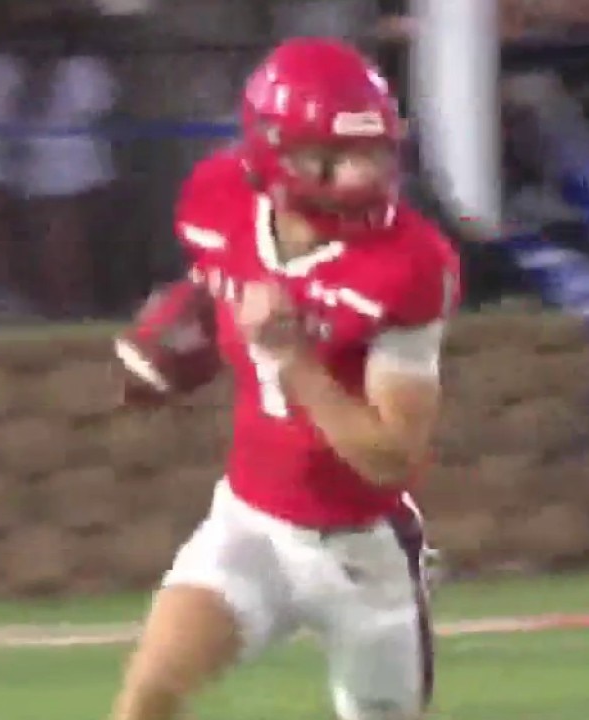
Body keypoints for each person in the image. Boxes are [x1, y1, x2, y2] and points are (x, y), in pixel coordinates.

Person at [110, 38, 460, 720]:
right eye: (333, 157)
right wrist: (174, 340)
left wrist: (293, 357)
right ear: (272, 153)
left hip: (362, 551)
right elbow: (217, 287)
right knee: (149, 693)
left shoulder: (409, 264)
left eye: (372, 154)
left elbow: (391, 457)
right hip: (251, 525)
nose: (360, 176)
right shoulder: (219, 200)